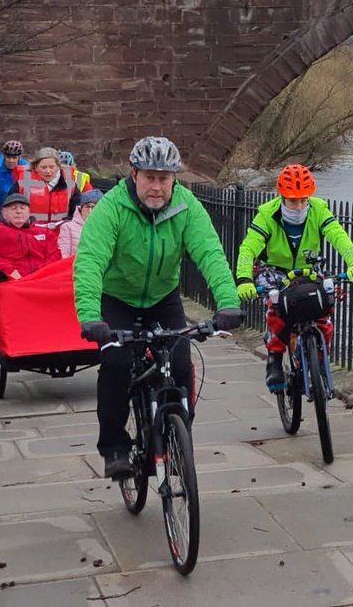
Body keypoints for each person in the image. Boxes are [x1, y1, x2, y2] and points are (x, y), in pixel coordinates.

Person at [73, 136, 243, 479]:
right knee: (117, 364)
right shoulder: (112, 208)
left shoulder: (186, 205)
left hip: (163, 298)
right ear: (134, 174)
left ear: (173, 180)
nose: (156, 186)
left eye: (164, 179)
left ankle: (178, 437)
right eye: (149, 177)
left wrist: (227, 302)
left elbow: (209, 252)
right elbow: (89, 261)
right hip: (117, 298)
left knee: (181, 366)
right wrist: (91, 316)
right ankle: (115, 447)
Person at [235, 163, 353, 391]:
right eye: (292, 200)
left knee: (325, 305)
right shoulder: (267, 214)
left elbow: (338, 236)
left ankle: (320, 357)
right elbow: (249, 248)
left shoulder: (318, 210)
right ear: (282, 197)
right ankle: (274, 359)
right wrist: (244, 278)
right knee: (274, 307)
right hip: (275, 269)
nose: (298, 206)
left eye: (303, 200)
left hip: (308, 269)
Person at [0, 192, 61, 313]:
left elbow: (55, 256)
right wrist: (9, 270)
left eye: (22, 208)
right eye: (13, 208)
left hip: (42, 281)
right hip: (11, 282)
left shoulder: (44, 232)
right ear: (4, 213)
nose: (19, 211)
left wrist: (40, 273)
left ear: (29, 212)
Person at [10, 147, 80, 228]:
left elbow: (77, 208)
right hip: (32, 229)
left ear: (58, 167)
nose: (48, 171)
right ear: (35, 167)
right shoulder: (23, 181)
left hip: (61, 230)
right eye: (43, 167)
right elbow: (11, 207)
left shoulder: (69, 181)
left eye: (52, 167)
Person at [0, 140, 27, 219]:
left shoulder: (25, 167)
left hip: (18, 204)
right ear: (4, 156)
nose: (11, 160)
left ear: (19, 157)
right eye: (8, 157)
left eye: (14, 158)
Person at [57, 187, 102, 257]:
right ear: (81, 208)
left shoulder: (106, 228)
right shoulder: (68, 227)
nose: (90, 211)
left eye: (93, 207)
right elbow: (64, 255)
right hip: (73, 266)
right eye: (87, 206)